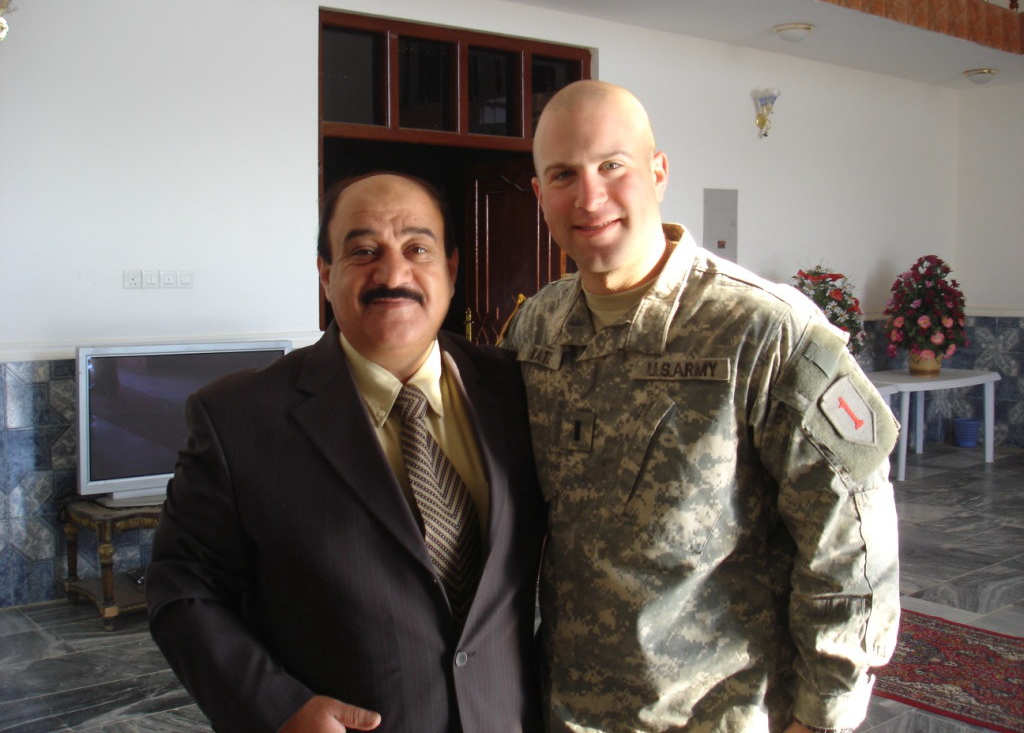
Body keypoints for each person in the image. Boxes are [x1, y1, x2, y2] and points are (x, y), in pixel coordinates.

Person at [501, 80, 901, 733]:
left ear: (658, 172)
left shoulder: (764, 332)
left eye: (612, 166)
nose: (590, 197)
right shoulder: (534, 331)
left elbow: (850, 537)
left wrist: (824, 714)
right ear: (540, 194)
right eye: (563, 174)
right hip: (565, 710)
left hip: (720, 715)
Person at [147, 173, 545, 733]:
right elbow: (182, 586)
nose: (393, 275)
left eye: (417, 249)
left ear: (451, 269)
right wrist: (278, 710)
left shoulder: (518, 390)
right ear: (326, 274)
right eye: (363, 252)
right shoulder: (239, 418)